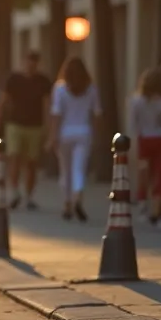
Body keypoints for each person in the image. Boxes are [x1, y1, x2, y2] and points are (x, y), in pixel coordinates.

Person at [0, 51, 52, 210]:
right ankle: (15, 192)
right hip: (15, 124)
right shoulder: (14, 80)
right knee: (14, 157)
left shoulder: (43, 81)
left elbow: (47, 105)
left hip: (35, 125)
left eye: (34, 63)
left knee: (32, 162)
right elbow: (3, 102)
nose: (31, 66)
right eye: (28, 62)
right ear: (23, 62)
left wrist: (48, 127)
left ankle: (29, 195)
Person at [47, 57, 100, 222]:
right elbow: (97, 113)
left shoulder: (60, 88)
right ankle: (78, 197)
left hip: (65, 133)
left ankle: (67, 203)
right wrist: (96, 134)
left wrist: (52, 136)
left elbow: (56, 114)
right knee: (79, 169)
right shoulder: (91, 89)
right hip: (84, 132)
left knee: (65, 170)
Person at [131, 67, 161, 229]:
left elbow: (134, 123)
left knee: (144, 172)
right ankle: (158, 213)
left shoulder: (136, 101)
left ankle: (143, 202)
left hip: (144, 139)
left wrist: (136, 140)